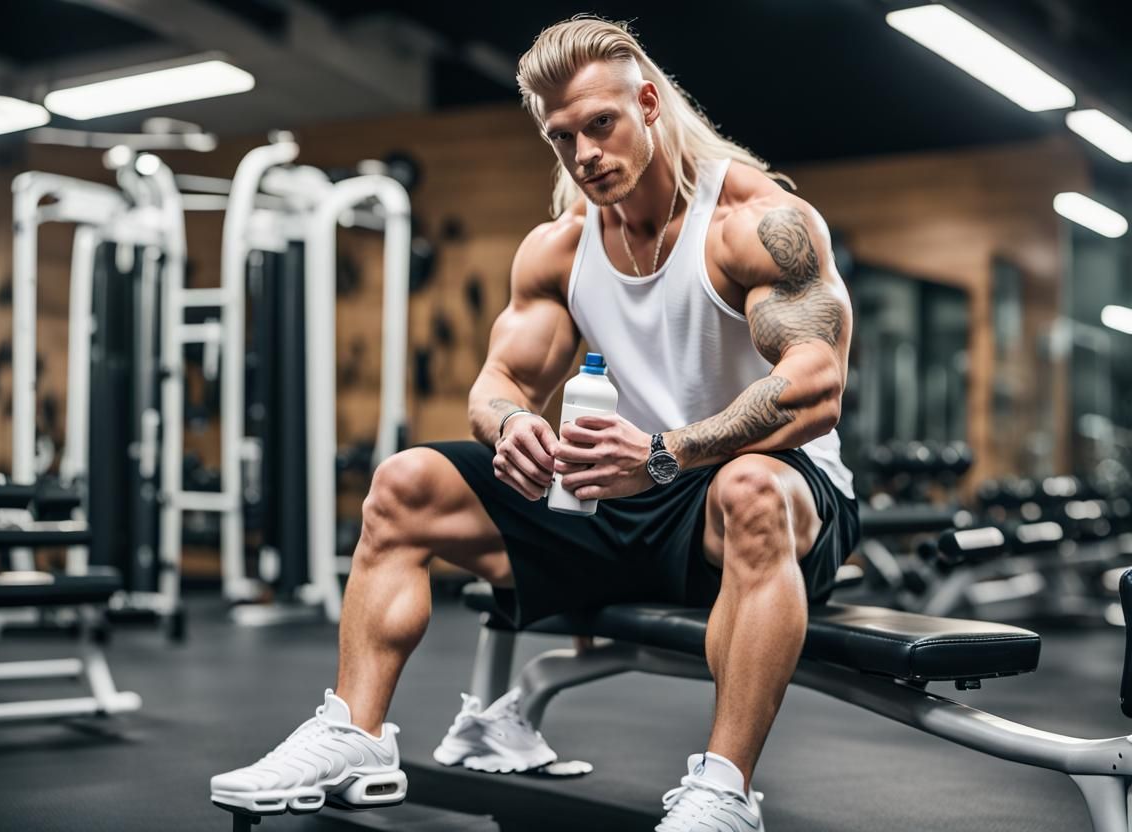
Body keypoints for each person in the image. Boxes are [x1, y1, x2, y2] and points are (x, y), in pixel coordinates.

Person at [211, 15, 857, 831]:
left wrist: (664, 453)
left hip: (759, 504)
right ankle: (356, 733)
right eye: (563, 137)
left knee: (752, 487)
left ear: (649, 104)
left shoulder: (754, 223)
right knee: (404, 484)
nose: (585, 153)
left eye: (601, 124)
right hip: (626, 492)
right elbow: (499, 380)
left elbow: (815, 388)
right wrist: (512, 425)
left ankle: (723, 792)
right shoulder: (560, 247)